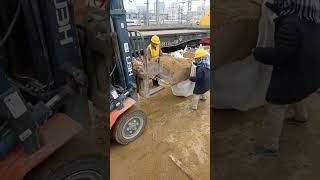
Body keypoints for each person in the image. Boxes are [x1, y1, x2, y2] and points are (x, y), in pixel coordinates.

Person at [252, 0, 320, 155]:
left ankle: (270, 146)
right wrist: (271, 6)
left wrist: (258, 52)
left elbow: (282, 55)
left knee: (276, 107)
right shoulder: (314, 20)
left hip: (291, 72)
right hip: (309, 71)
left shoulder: (290, 23)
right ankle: (301, 117)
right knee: (299, 92)